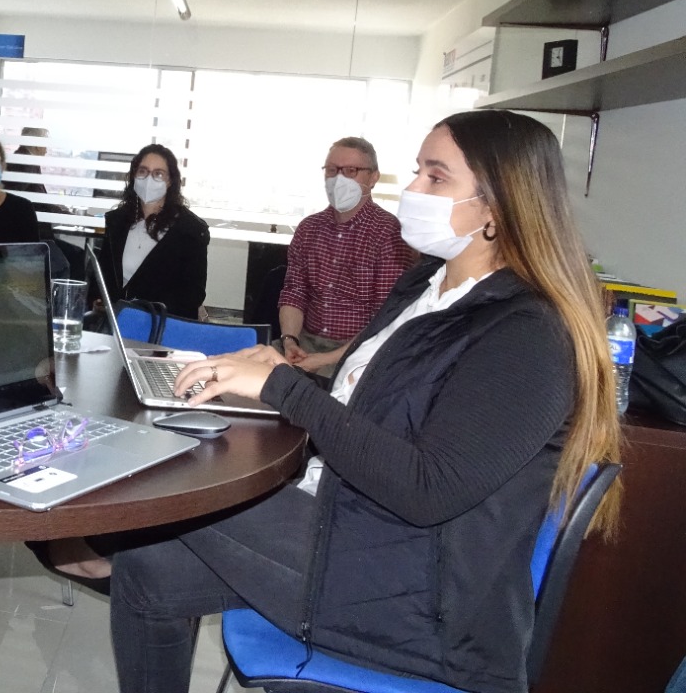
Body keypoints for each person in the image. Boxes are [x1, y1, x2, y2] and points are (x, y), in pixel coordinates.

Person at [108, 110, 622, 693]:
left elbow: (429, 488)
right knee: (145, 567)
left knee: (167, 493)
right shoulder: (426, 287)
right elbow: (375, 406)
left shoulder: (526, 332)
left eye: (436, 177)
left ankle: (88, 534)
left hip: (419, 599)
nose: (414, 191)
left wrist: (285, 388)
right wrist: (276, 369)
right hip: (357, 524)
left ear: (497, 209)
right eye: (417, 172)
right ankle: (102, 542)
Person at [276, 135, 414, 373]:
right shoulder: (309, 228)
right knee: (247, 376)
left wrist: (326, 360)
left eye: (351, 170)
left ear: (373, 178)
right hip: (304, 343)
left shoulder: (390, 234)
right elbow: (294, 292)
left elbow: (385, 318)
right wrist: (290, 341)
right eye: (331, 170)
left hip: (360, 352)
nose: (339, 179)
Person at [95, 144, 209, 320]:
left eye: (158, 174)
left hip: (160, 326)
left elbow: (192, 296)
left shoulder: (191, 230)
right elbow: (103, 276)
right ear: (134, 175)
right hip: (114, 323)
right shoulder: (117, 221)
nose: (149, 179)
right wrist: (98, 300)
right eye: (143, 171)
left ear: (170, 181)